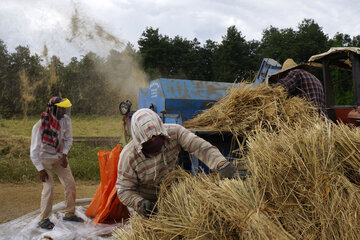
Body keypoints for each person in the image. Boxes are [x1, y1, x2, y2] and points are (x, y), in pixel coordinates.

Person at [116, 108, 239, 217]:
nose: (154, 141)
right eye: (149, 140)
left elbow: (200, 147)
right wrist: (140, 203)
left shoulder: (175, 133)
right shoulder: (128, 156)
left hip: (172, 197)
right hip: (147, 206)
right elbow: (124, 190)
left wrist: (221, 163)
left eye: (156, 137)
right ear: (140, 141)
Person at [30, 97, 82, 230]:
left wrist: (64, 154)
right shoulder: (39, 126)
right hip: (44, 160)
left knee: (70, 184)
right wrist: (40, 169)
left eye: (65, 108)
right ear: (52, 109)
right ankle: (44, 219)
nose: (64, 111)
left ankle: (70, 214)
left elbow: (68, 139)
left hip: (59, 157)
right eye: (61, 108)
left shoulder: (66, 120)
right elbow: (34, 151)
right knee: (49, 187)